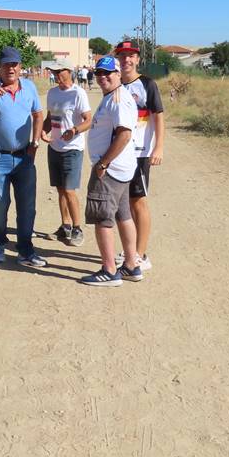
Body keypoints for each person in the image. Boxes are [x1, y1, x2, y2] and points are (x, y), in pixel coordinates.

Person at [0, 46, 46, 268]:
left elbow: (38, 114)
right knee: (0, 204)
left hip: (24, 157)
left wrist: (35, 142)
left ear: (20, 67)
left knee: (27, 205)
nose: (10, 69)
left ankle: (25, 250)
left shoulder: (30, 87)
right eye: (6, 65)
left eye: (14, 64)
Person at [80, 56, 142, 287]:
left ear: (118, 74)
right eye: (99, 73)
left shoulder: (117, 99)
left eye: (108, 73)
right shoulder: (113, 97)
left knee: (102, 217)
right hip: (121, 169)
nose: (103, 77)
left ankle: (109, 270)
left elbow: (124, 134)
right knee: (123, 215)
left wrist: (103, 163)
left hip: (111, 170)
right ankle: (131, 264)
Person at [115, 40, 165, 272]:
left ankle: (141, 255)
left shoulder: (147, 84)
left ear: (137, 59)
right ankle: (130, 250)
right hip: (119, 153)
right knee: (123, 203)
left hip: (140, 154)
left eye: (131, 56)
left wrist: (159, 147)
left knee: (138, 202)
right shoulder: (115, 85)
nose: (127, 60)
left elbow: (159, 117)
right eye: (123, 56)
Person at [42, 58, 93, 246]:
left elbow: (88, 119)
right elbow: (49, 118)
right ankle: (65, 227)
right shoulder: (52, 92)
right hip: (54, 147)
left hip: (72, 149)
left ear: (69, 71)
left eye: (58, 72)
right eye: (53, 72)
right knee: (60, 189)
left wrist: (75, 130)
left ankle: (78, 228)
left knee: (70, 190)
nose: (55, 75)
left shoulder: (78, 93)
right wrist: (43, 131)